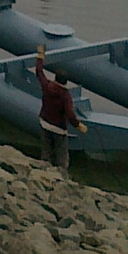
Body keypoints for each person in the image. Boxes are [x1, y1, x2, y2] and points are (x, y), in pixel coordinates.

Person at [35, 42, 86, 170]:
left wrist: (41, 55)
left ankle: (44, 170)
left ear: (55, 78)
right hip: (59, 128)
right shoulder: (65, 95)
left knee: (46, 151)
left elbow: (39, 72)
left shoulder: (47, 86)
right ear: (66, 82)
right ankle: (61, 175)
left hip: (44, 122)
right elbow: (69, 113)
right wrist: (79, 125)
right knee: (62, 156)